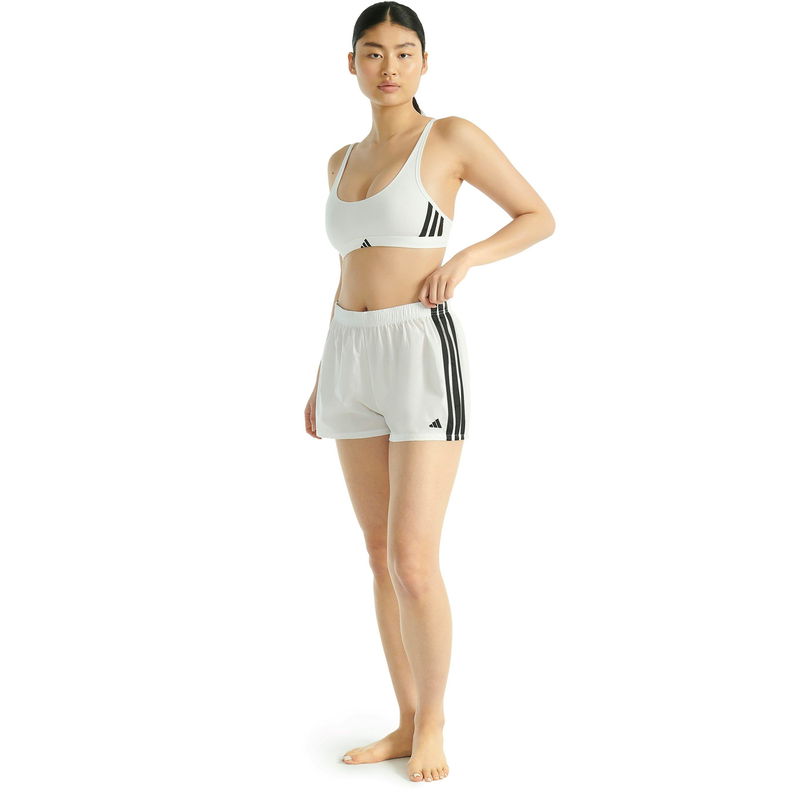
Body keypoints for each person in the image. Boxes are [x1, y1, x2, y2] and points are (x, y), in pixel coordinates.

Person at [304, 2, 556, 783]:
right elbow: (346, 271)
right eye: (374, 52)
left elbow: (537, 216)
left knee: (414, 560)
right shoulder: (339, 160)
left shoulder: (449, 138)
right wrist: (321, 376)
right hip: (349, 353)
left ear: (424, 63)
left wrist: (467, 258)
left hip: (419, 350)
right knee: (379, 555)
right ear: (351, 63)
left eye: (404, 52)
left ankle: (436, 722)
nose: (389, 67)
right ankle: (405, 719)